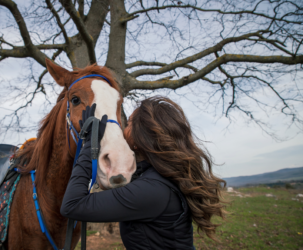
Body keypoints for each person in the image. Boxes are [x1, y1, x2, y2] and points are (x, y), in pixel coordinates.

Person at [61, 96, 227, 250]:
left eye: (129, 124)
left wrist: (90, 145)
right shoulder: (156, 180)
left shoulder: (153, 190)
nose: (124, 131)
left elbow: (72, 206)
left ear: (142, 136)